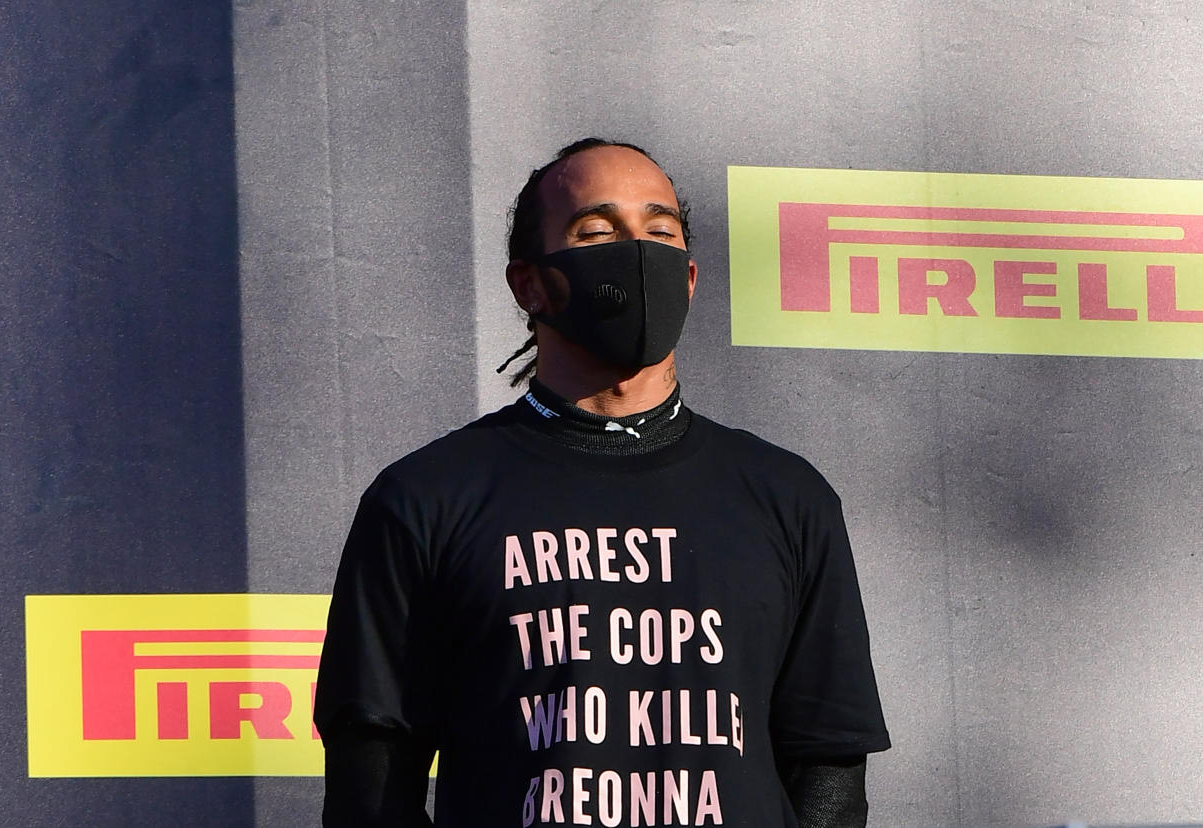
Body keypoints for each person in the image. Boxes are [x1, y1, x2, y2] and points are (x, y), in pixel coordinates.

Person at [314, 138, 890, 827]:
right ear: (530, 283)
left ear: (689, 277)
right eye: (597, 232)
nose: (637, 254)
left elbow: (829, 768)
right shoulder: (425, 499)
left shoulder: (787, 498)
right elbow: (371, 782)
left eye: (660, 232)